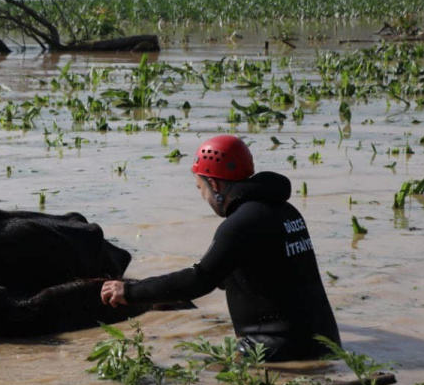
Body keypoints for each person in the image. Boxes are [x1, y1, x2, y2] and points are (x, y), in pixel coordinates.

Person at [100, 135, 340, 361]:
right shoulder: (286, 212)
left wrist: (130, 292)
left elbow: (200, 280)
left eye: (200, 188)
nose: (203, 196)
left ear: (213, 184)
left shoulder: (240, 224)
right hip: (324, 342)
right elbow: (258, 272)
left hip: (276, 349)